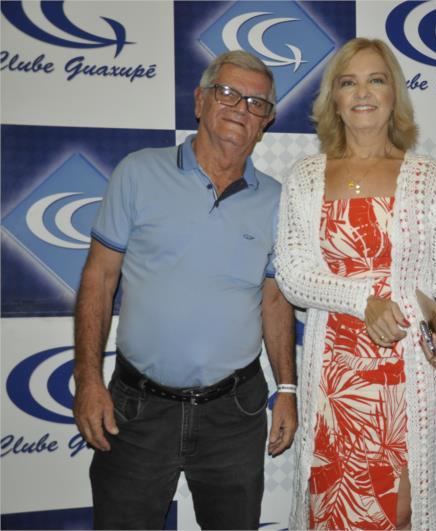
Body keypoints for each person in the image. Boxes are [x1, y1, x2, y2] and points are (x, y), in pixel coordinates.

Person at [72, 50, 298, 530]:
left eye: (256, 103)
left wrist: (287, 388)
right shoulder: (138, 172)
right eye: (228, 93)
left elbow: (274, 298)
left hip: (235, 414)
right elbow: (99, 278)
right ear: (199, 101)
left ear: (267, 122)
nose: (241, 108)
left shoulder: (279, 201)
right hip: (137, 410)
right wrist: (88, 381)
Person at [274, 37, 436, 530]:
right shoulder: (305, 177)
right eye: (349, 82)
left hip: (407, 376)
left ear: (393, 94)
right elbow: (292, 276)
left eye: (376, 80)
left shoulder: (428, 178)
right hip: (334, 380)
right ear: (335, 99)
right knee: (333, 512)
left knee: (401, 512)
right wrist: (363, 299)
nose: (362, 92)